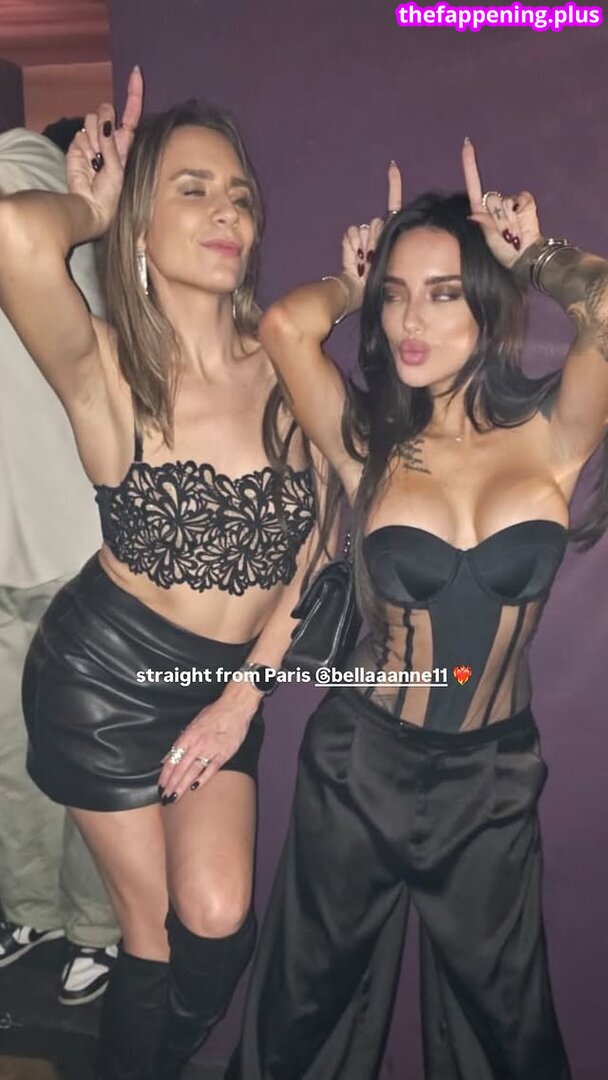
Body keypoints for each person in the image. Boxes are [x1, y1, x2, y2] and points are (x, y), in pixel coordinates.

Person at [226, 144, 608, 1080]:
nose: (410, 319)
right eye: (396, 296)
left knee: (513, 1034)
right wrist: (350, 284)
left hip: (491, 783)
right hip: (360, 768)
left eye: (441, 294)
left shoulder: (555, 433)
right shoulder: (369, 440)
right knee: (297, 1012)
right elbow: (283, 326)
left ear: (486, 301)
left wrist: (534, 256)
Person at [0, 68, 332, 1080]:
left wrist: (241, 699)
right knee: (149, 937)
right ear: (142, 223)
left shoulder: (286, 365)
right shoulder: (109, 369)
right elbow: (13, 236)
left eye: (238, 194)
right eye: (192, 190)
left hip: (220, 687)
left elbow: (319, 547)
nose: (226, 211)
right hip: (100, 685)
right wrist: (92, 212)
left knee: (218, 916)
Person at [0, 122, 119, 1006]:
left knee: (84, 745)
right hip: (11, 545)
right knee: (13, 751)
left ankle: (97, 924)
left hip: (73, 537)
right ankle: (33, 909)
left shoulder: (24, 160)